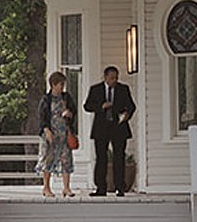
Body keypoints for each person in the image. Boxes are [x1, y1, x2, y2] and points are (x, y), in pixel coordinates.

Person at [82, 65, 135, 196]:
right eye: (111, 78)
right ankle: (101, 187)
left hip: (118, 126)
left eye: (116, 78)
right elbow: (87, 106)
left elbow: (131, 106)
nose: (114, 81)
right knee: (101, 158)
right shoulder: (96, 89)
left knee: (119, 157)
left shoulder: (123, 89)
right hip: (101, 127)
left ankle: (120, 187)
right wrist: (101, 106)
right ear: (105, 77)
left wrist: (126, 114)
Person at [38, 71, 78, 198]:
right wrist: (46, 130)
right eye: (60, 84)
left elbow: (74, 111)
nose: (62, 87)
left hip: (65, 132)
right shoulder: (46, 99)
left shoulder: (66, 97)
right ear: (53, 84)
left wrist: (69, 113)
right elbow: (42, 117)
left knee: (66, 159)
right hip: (51, 133)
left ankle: (66, 188)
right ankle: (46, 187)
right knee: (48, 159)